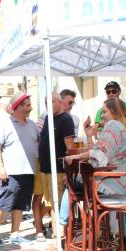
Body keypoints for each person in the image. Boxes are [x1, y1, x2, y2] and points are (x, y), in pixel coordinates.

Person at [0, 91, 39, 244]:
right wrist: (0, 167)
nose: (30, 108)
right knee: (4, 203)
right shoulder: (5, 123)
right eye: (28, 105)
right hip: (11, 171)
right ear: (19, 107)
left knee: (21, 204)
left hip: (29, 170)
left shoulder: (32, 124)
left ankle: (15, 234)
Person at [66, 98, 126, 196]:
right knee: (71, 184)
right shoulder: (118, 127)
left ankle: (66, 211)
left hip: (111, 184)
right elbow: (97, 153)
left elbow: (98, 154)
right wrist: (89, 135)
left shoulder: (113, 125)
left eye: (104, 112)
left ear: (114, 112)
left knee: (70, 185)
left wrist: (74, 157)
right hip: (117, 182)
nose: (101, 115)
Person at [37, 93, 75, 241]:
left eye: (52, 101)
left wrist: (67, 171)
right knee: (51, 204)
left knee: (57, 206)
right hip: (46, 169)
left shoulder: (66, 119)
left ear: (60, 103)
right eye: (46, 102)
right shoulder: (48, 118)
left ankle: (60, 239)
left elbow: (69, 147)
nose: (48, 105)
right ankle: (54, 235)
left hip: (58, 171)